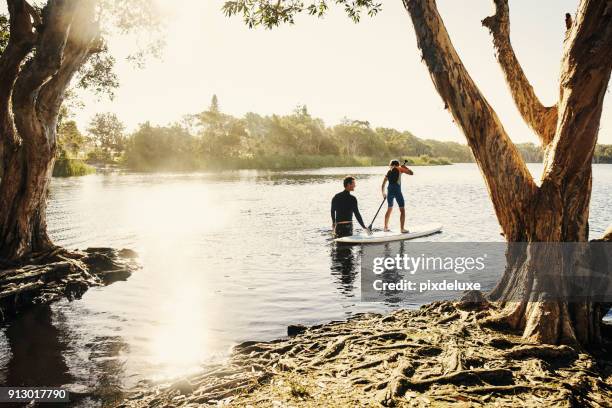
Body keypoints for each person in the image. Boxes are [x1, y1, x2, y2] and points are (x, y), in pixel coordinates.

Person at [381, 160, 413, 233]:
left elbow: (383, 184)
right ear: (397, 165)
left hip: (389, 191)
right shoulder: (399, 169)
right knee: (402, 209)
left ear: (391, 165)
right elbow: (411, 173)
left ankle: (385, 228)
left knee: (389, 209)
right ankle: (402, 229)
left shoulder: (389, 172)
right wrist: (405, 167)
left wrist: (383, 193)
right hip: (397, 191)